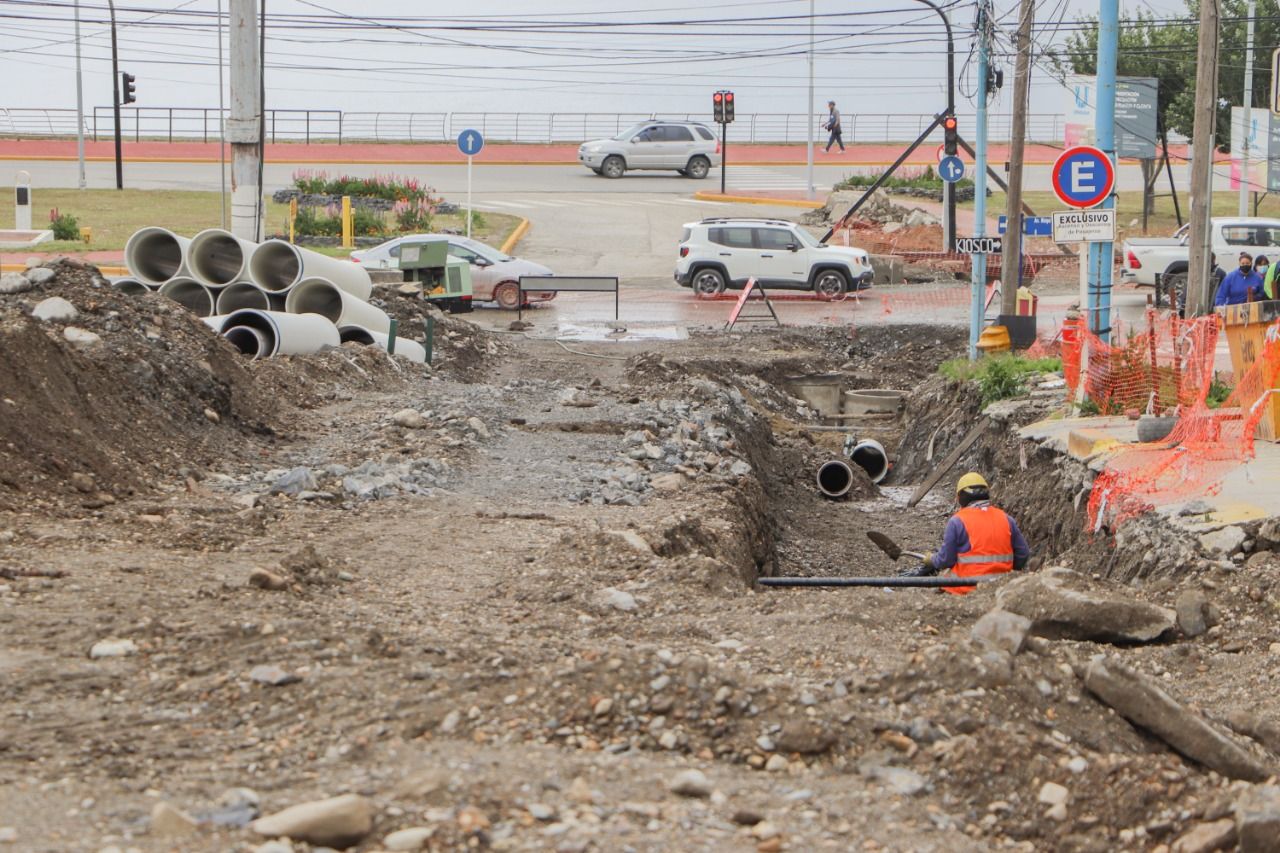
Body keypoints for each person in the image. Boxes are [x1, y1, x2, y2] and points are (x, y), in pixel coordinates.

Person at [902, 472, 1030, 595]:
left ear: (959, 498)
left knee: (946, 577)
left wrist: (932, 560)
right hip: (1001, 587)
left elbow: (946, 560)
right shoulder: (1006, 518)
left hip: (968, 588)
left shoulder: (957, 521)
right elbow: (1023, 554)